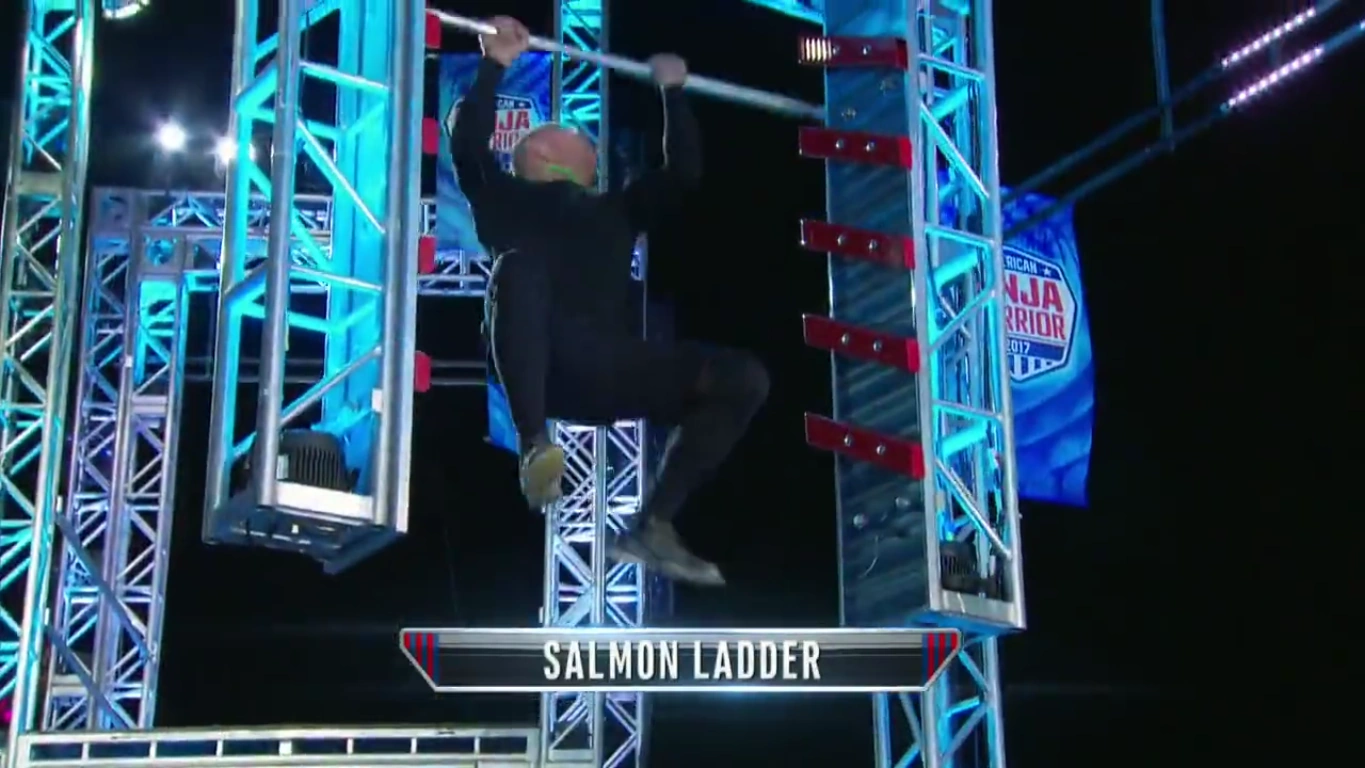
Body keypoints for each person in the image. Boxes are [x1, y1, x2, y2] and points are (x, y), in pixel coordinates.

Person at [451, 16, 769, 586]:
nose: (586, 139)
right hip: (536, 357)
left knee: (742, 378)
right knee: (518, 269)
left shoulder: (617, 211)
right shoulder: (502, 199)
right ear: (541, 154)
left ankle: (655, 524)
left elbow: (683, 173)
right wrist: (494, 63)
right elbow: (468, 143)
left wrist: (673, 94)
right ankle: (534, 445)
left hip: (604, 364)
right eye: (569, 132)